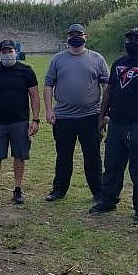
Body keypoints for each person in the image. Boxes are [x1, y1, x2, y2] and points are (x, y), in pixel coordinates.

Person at [89, 28, 138, 221]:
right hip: (117, 123)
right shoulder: (118, 64)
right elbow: (109, 91)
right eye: (130, 39)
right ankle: (108, 200)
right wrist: (101, 116)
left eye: (137, 39)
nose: (132, 42)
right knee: (112, 164)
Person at [44, 23, 109, 201]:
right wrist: (49, 110)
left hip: (91, 116)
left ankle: (99, 191)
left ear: (85, 37)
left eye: (79, 34)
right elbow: (48, 84)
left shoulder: (97, 59)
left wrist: (105, 111)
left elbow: (107, 86)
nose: (76, 37)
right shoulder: (57, 60)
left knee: (93, 156)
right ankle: (58, 191)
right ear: (67, 37)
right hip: (63, 117)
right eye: (72, 34)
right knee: (64, 156)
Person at [0, 39, 40, 205]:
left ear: (16, 51)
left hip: (20, 122)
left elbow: (34, 95)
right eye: (4, 51)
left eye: (10, 51)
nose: (7, 54)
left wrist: (35, 119)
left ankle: (18, 188)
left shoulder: (26, 71)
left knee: (19, 155)